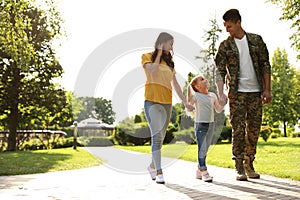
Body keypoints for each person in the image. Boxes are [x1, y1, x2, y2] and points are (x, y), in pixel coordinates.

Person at [215, 9, 272, 181]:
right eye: (225, 26)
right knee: (238, 129)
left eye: (229, 26)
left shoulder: (256, 40)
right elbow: (219, 71)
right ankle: (239, 166)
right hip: (236, 93)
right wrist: (221, 94)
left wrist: (267, 89)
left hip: (256, 92)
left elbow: (265, 66)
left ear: (238, 22)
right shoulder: (225, 46)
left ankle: (249, 163)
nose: (227, 30)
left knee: (253, 129)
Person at [141, 32, 194, 184]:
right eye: (170, 44)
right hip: (151, 101)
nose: (172, 48)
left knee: (161, 137)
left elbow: (175, 84)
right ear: (162, 43)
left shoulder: (170, 63)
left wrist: (184, 102)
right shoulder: (147, 56)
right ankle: (159, 172)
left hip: (167, 103)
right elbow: (152, 70)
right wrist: (158, 52)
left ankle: (152, 165)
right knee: (157, 136)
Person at [187, 75, 227, 182]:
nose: (205, 80)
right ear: (197, 86)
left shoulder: (212, 95)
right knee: (202, 148)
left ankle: (199, 170)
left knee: (205, 149)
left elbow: (218, 109)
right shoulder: (196, 96)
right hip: (200, 125)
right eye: (202, 79)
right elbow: (189, 102)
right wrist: (189, 88)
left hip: (211, 125)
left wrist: (223, 103)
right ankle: (204, 171)